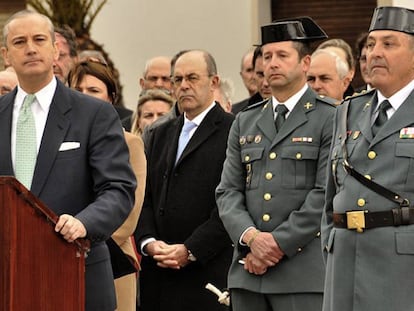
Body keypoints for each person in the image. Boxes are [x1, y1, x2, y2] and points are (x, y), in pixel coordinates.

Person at [0, 10, 136, 311]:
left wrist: (83, 222)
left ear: (55, 49)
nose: (31, 48)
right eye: (20, 42)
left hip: (76, 272)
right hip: (8, 282)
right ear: (6, 54)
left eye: (39, 40)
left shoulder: (94, 114)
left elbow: (118, 189)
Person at [216, 17, 336, 311]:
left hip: (302, 273)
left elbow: (325, 194)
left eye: (282, 56)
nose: (272, 64)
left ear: (305, 63)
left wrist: (276, 244)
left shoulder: (330, 116)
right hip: (248, 272)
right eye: (267, 56)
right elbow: (228, 192)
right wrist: (252, 238)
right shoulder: (246, 120)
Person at [321, 6, 414, 311]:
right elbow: (332, 194)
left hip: (402, 272)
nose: (375, 53)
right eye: (371, 44)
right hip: (343, 265)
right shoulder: (347, 111)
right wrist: (331, 243)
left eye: (389, 44)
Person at [136, 49, 234, 311]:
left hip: (207, 273)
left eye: (192, 78)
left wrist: (190, 250)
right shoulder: (159, 134)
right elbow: (144, 196)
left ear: (213, 82)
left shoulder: (233, 131)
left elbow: (232, 203)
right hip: (158, 275)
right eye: (177, 80)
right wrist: (148, 242)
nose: (184, 86)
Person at [68, 59, 146, 311]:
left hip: (111, 258)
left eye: (93, 91)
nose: (85, 98)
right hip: (63, 256)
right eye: (77, 91)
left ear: (111, 98)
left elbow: (128, 213)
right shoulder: (59, 139)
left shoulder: (129, 143)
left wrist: (83, 236)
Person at [232, 46, 271, 115]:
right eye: (249, 70)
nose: (253, 76)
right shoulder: (238, 113)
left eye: (269, 74)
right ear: (241, 75)